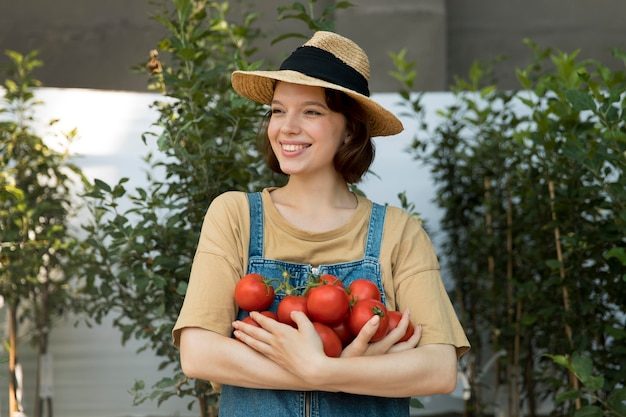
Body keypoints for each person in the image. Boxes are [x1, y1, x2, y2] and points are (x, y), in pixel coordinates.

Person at [172, 31, 470, 417]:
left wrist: (323, 367)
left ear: (349, 128)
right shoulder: (235, 216)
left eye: (311, 112)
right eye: (278, 110)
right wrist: (331, 370)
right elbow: (199, 354)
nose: (287, 127)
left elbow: (438, 369)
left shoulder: (398, 232)